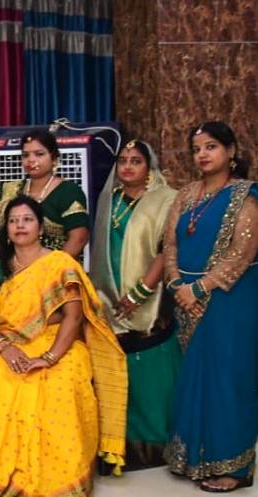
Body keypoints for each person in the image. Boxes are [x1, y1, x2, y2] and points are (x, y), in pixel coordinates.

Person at [0, 195, 127, 497]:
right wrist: (5, 348)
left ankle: (60, 479)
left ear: (41, 227)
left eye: (27, 219)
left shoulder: (60, 264)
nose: (20, 225)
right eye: (13, 221)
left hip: (57, 342)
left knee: (61, 381)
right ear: (6, 229)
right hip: (7, 342)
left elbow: (74, 317)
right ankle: (1, 476)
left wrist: (49, 357)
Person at [163, 121, 258, 492]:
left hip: (231, 298)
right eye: (197, 149)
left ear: (231, 151)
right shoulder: (187, 194)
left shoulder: (246, 195)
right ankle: (195, 459)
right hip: (186, 297)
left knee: (228, 376)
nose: (202, 154)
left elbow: (243, 251)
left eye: (211, 146)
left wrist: (200, 288)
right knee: (194, 375)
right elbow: (170, 244)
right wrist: (176, 285)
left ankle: (235, 466)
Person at [88, 139, 181, 470]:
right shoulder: (110, 200)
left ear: (149, 167)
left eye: (136, 161)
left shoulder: (165, 199)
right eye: (123, 161)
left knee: (150, 376)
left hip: (149, 299)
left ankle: (155, 446)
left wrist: (140, 292)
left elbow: (167, 249)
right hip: (110, 302)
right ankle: (119, 445)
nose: (127, 167)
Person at [0, 128, 89, 257]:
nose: (31, 160)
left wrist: (51, 266)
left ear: (54, 158)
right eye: (25, 155)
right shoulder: (12, 189)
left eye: (39, 154)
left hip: (56, 266)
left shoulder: (68, 191)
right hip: (16, 264)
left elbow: (79, 238)